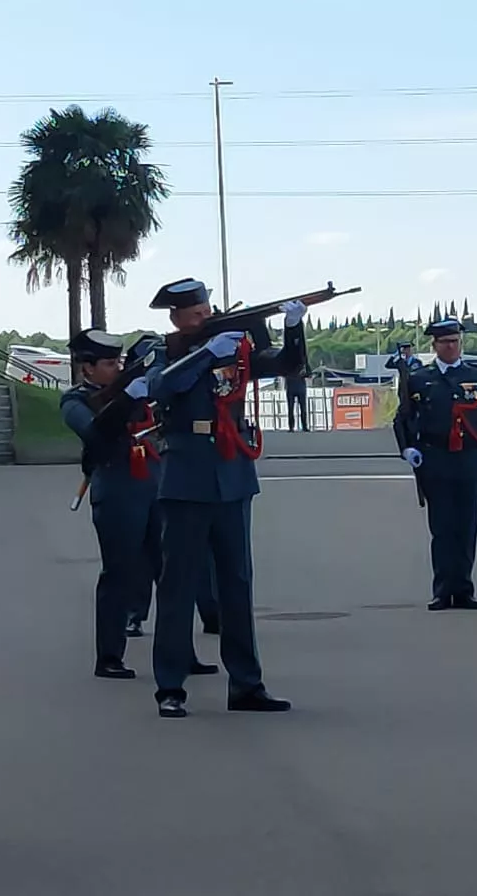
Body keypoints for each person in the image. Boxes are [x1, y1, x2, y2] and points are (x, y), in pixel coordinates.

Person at [144, 278, 302, 719]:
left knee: (237, 584)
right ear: (176, 318)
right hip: (186, 479)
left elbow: (287, 364)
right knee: (178, 586)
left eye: (206, 311)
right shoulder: (167, 350)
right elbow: (161, 388)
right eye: (194, 315)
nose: (204, 318)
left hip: (232, 476)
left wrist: (292, 326)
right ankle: (170, 686)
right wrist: (204, 354)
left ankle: (247, 684)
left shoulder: (235, 350)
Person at [60, 330, 168, 679]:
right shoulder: (74, 401)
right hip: (118, 488)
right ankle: (109, 655)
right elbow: (94, 433)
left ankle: (179, 651)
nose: (116, 368)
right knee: (120, 573)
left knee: (171, 573)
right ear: (86, 368)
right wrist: (124, 399)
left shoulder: (131, 389)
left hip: (155, 483)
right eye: (109, 364)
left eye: (119, 362)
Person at [394, 318, 477, 611]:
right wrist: (407, 449)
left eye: (455, 341)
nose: (451, 346)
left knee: (466, 527)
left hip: (469, 458)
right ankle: (443, 590)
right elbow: (402, 417)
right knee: (442, 528)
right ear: (434, 345)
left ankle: (464, 589)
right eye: (445, 342)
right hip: (435, 457)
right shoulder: (419, 378)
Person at [284, 367, 310, 431]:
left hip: (299, 387)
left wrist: (304, 374)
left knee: (302, 408)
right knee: (290, 408)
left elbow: (309, 373)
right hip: (291, 386)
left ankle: (304, 426)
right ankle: (291, 427)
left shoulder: (302, 361)